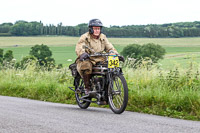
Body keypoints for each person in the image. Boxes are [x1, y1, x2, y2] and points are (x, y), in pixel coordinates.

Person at [75, 19, 120, 95]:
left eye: (98, 29)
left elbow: (110, 47)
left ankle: (107, 88)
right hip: (88, 58)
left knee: (111, 67)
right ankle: (87, 87)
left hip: (100, 58)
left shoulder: (103, 37)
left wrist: (115, 54)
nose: (97, 31)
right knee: (86, 66)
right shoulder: (85, 37)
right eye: (95, 29)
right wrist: (82, 53)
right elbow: (79, 46)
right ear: (91, 29)